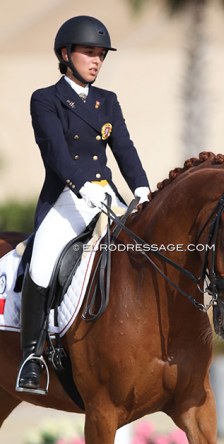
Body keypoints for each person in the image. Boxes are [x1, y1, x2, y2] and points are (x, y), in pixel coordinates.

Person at [16, 15, 150, 394]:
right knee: (42, 262)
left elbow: (123, 147)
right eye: (89, 52)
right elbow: (56, 152)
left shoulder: (107, 101)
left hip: (106, 195)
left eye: (101, 55)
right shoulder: (45, 99)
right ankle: (31, 356)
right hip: (67, 197)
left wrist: (141, 188)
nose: (96, 61)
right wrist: (80, 185)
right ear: (66, 54)